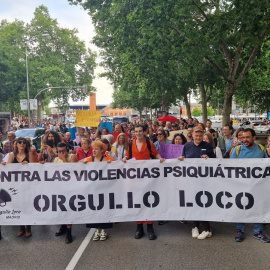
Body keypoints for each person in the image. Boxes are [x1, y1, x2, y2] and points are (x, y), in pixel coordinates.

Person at [122, 124, 165, 240]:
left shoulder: (149, 143)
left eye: (140, 131)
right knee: (138, 201)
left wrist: (160, 158)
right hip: (135, 178)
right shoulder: (131, 145)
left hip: (148, 178)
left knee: (149, 201)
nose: (138, 133)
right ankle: (139, 226)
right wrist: (124, 159)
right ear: (134, 133)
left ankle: (150, 226)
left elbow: (156, 154)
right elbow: (127, 156)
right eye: (136, 131)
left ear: (144, 132)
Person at [231, 128, 270, 243]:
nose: (245, 140)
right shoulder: (237, 150)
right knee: (241, 207)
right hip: (241, 186)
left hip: (258, 186)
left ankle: (258, 231)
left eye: (248, 137)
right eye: (243, 137)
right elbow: (230, 167)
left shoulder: (261, 149)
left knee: (258, 208)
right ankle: (240, 230)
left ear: (254, 138)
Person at [178, 126, 215, 240]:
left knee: (203, 202)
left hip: (204, 180)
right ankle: (194, 226)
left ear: (202, 136)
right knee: (193, 203)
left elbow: (215, 160)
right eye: (196, 135)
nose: (198, 138)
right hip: (191, 180)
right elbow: (184, 157)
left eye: (200, 136)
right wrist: (181, 158)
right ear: (192, 135)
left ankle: (206, 228)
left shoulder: (207, 146)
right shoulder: (187, 146)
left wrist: (208, 157)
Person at [84, 140, 113, 241]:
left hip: (105, 189)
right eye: (93, 149)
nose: (94, 150)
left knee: (104, 208)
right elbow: (76, 165)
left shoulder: (108, 159)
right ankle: (97, 229)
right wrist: (81, 163)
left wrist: (111, 164)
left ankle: (104, 229)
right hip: (93, 189)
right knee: (94, 209)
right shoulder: (89, 159)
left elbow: (117, 168)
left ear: (102, 150)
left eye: (96, 149)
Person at [8, 137, 34, 237]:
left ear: (26, 144)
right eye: (20, 142)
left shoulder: (29, 154)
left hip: (27, 185)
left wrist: (28, 165)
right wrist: (3, 165)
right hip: (15, 185)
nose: (22, 144)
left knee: (27, 206)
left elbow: (33, 168)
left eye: (24, 142)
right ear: (16, 144)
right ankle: (21, 227)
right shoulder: (12, 155)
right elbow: (8, 169)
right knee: (17, 206)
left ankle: (28, 228)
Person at [54, 142, 78, 243]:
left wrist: (63, 159)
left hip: (70, 187)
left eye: (63, 151)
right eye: (59, 151)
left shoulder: (73, 157)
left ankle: (69, 232)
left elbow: (70, 170)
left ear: (67, 150)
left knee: (68, 209)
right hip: (59, 187)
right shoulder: (55, 159)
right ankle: (63, 227)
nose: (61, 153)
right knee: (61, 208)